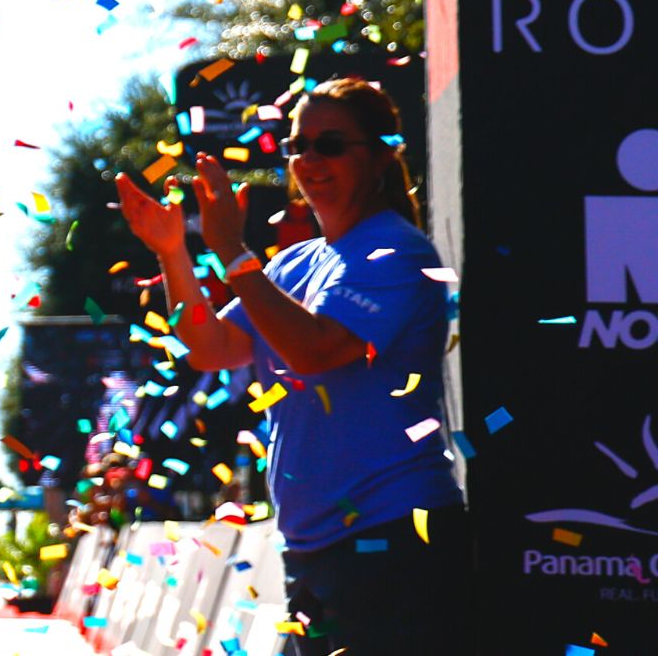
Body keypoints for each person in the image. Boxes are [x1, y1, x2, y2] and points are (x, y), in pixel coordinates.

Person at [115, 76, 466, 655]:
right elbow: (213, 347)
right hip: (315, 550)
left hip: (396, 540)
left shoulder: (397, 251)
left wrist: (234, 252)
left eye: (329, 145)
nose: (309, 161)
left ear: (382, 153)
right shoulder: (298, 262)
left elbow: (315, 349)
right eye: (299, 146)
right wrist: (172, 251)